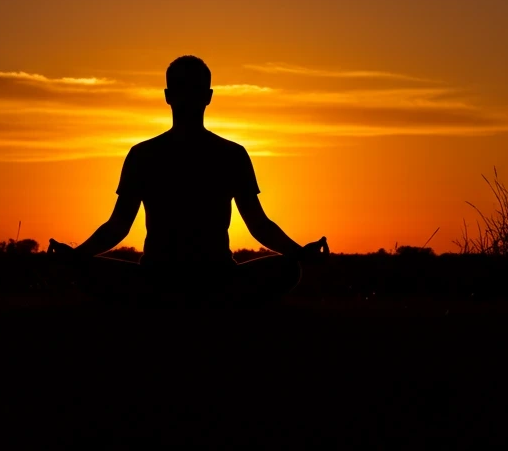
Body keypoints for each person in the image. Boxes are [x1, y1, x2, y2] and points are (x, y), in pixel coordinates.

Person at [47, 55, 328, 306]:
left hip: (213, 276)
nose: (187, 98)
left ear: (206, 96)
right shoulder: (145, 154)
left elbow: (258, 224)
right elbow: (118, 225)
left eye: (193, 89)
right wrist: (77, 256)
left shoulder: (230, 154)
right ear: (170, 96)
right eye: (183, 89)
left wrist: (298, 253)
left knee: (290, 267)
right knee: (84, 268)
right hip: (160, 276)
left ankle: (172, 303)